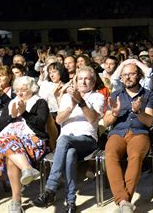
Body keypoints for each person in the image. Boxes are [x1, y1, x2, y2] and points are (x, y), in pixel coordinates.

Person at [33, 66, 104, 213]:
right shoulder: (66, 97)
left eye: (87, 79)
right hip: (67, 143)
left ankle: (50, 188)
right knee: (70, 153)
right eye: (80, 79)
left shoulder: (98, 97)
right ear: (75, 81)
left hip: (87, 140)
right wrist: (71, 106)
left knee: (64, 140)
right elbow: (58, 121)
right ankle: (71, 202)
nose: (83, 82)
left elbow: (92, 119)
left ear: (93, 81)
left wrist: (81, 102)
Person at [103, 62, 153, 213]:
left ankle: (123, 202)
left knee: (135, 156)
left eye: (132, 74)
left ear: (139, 75)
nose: (128, 77)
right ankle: (124, 202)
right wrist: (114, 113)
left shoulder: (149, 95)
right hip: (117, 133)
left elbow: (149, 121)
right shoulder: (115, 95)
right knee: (110, 155)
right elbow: (106, 121)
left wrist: (139, 111)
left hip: (139, 133)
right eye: (125, 74)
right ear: (121, 77)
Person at [0, 76, 49, 213]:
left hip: (32, 141)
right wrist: (11, 116)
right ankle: (27, 168)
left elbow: (40, 125)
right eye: (17, 90)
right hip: (10, 142)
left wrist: (24, 114)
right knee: (6, 141)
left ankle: (16, 201)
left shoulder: (40, 102)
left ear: (32, 89)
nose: (19, 93)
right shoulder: (11, 103)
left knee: (10, 155)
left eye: (23, 89)